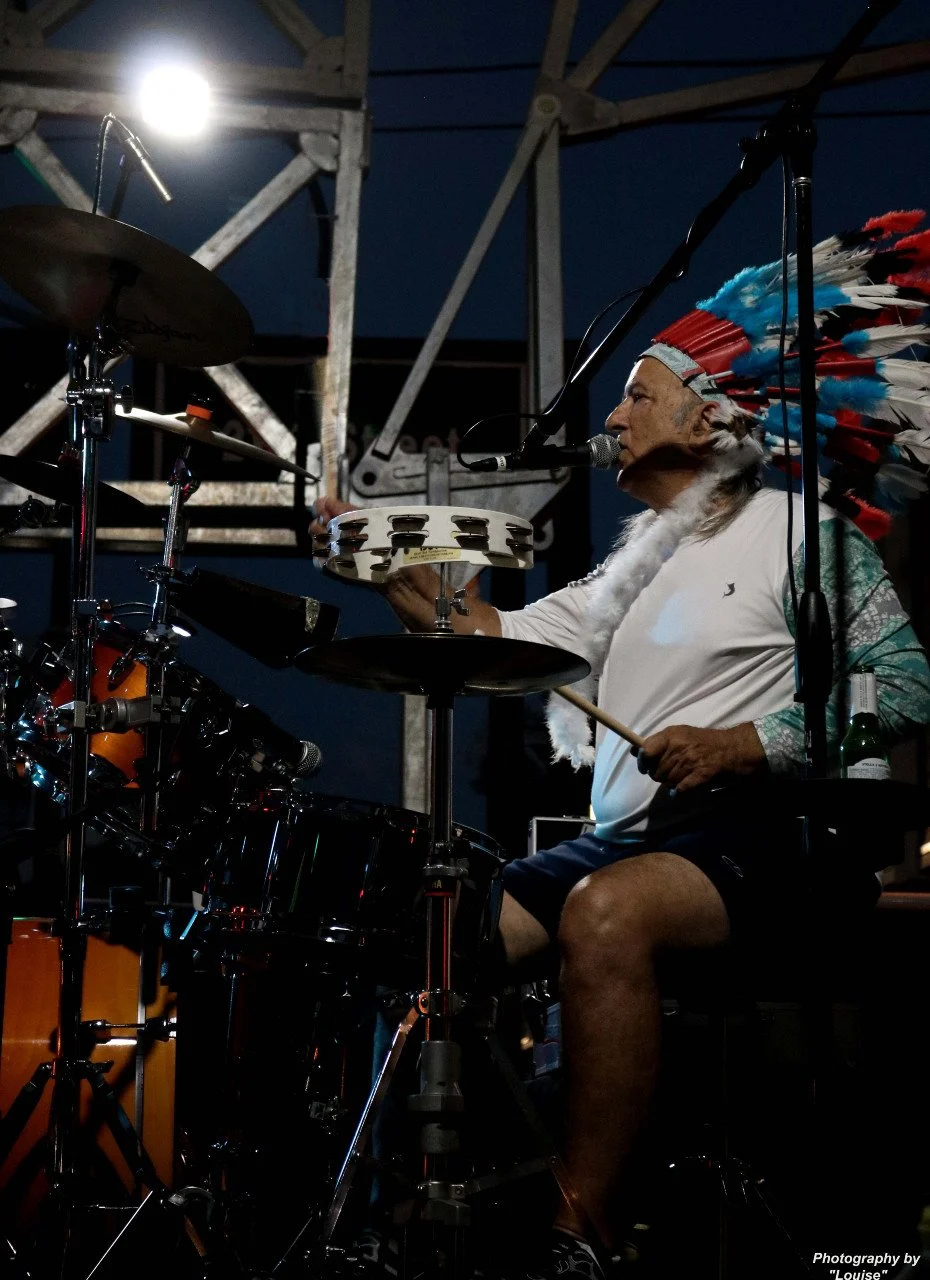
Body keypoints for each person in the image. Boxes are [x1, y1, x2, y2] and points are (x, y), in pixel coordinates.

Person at [310, 210, 930, 1278]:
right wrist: (372, 555)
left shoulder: (803, 529)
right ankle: (418, 1206)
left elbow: (910, 682)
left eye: (641, 392)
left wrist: (747, 742)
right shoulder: (626, 570)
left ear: (715, 414)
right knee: (434, 935)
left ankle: (583, 1235)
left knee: (606, 912)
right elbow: (480, 634)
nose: (617, 410)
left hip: (768, 830)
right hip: (636, 837)